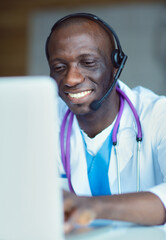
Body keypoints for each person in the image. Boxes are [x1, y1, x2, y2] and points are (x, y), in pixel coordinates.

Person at [45, 13, 166, 228]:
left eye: (88, 62)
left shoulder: (158, 115)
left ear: (116, 66)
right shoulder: (43, 120)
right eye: (59, 68)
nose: (72, 79)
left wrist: (93, 206)